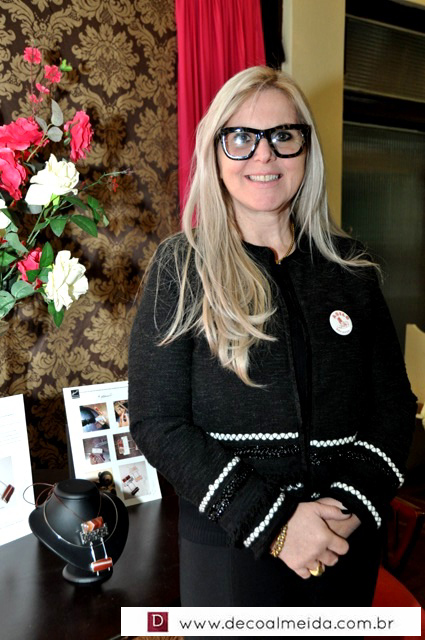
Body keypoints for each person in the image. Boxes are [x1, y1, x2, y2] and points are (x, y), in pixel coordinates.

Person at [128, 66, 417, 611]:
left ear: (306, 150)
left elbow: (395, 407)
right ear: (215, 152)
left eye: (283, 135)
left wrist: (347, 506)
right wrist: (278, 523)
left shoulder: (351, 268)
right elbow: (157, 421)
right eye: (241, 137)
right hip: (233, 551)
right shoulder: (181, 266)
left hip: (343, 540)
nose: (264, 155)